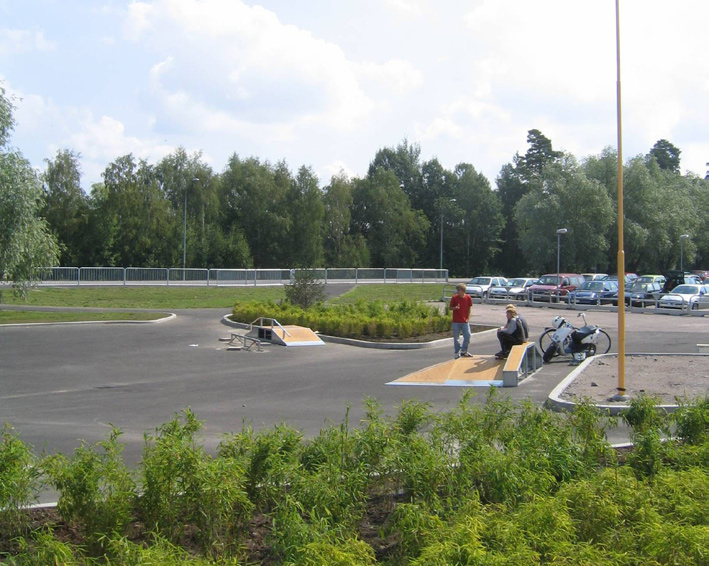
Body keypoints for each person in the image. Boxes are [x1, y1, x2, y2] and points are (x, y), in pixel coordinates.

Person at [450, 283, 473, 359]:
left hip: (464, 321)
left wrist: (468, 318)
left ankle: (464, 350)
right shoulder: (454, 298)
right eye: (457, 290)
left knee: (468, 335)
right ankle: (457, 352)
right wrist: (455, 308)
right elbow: (450, 307)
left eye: (459, 290)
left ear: (463, 291)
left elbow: (469, 308)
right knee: (456, 338)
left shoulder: (468, 298)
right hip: (456, 321)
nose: (457, 292)